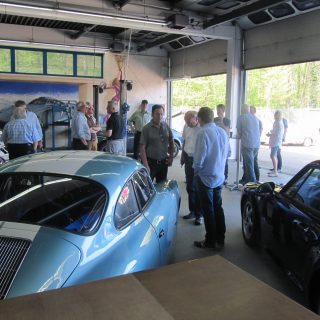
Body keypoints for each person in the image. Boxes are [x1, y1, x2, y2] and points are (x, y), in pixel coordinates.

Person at [193, 107, 229, 250]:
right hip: (219, 175)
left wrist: (196, 170)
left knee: (208, 209)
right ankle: (221, 237)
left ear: (200, 119)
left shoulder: (203, 132)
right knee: (218, 206)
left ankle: (210, 240)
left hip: (206, 177)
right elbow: (228, 152)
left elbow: (200, 157)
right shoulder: (222, 132)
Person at [140, 104, 174, 183]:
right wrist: (145, 164)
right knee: (147, 187)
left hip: (163, 163)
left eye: (161, 114)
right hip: (151, 163)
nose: (160, 116)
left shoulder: (166, 126)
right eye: (157, 114)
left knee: (162, 186)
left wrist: (171, 156)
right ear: (152, 114)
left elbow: (171, 141)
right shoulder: (146, 128)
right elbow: (142, 147)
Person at [180, 111, 202, 225]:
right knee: (189, 186)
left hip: (198, 160)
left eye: (189, 120)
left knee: (198, 187)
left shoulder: (201, 129)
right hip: (188, 159)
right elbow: (184, 141)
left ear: (196, 118)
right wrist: (183, 156)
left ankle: (199, 215)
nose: (187, 123)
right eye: (185, 120)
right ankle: (192, 211)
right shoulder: (186, 126)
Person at [236, 104, 261, 184]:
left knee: (249, 165)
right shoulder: (255, 118)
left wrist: (239, 136)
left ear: (242, 110)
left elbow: (239, 132)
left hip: (247, 144)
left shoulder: (241, 117)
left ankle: (251, 184)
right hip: (256, 144)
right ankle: (252, 179)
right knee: (253, 162)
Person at [214, 104, 231, 185]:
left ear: (223, 111)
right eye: (217, 110)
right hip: (216, 143)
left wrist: (221, 121)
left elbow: (226, 132)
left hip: (224, 144)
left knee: (225, 161)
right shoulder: (214, 119)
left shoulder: (227, 120)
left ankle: (225, 177)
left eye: (219, 110)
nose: (218, 112)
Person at [267, 110, 284, 177]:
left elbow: (277, 133)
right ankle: (275, 170)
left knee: (273, 156)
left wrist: (270, 134)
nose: (275, 116)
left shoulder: (279, 123)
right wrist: (272, 132)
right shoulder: (277, 122)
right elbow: (275, 131)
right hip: (275, 141)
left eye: (276, 115)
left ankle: (276, 171)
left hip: (276, 142)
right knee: (274, 156)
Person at [249, 105, 263, 181]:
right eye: (249, 110)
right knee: (248, 162)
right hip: (251, 143)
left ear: (254, 111)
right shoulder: (249, 120)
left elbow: (260, 133)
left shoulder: (258, 121)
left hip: (255, 144)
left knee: (254, 161)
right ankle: (245, 178)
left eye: (251, 110)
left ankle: (257, 178)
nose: (250, 112)